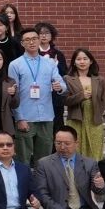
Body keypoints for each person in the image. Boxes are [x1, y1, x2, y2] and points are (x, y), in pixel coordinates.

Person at [7, 26, 66, 166]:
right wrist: (19, 117)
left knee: (44, 159)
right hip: (25, 116)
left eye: (34, 38)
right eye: (27, 40)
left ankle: (42, 180)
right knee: (23, 158)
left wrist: (59, 87)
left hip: (47, 116)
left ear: (39, 40)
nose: (32, 42)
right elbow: (13, 94)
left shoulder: (49, 63)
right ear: (22, 43)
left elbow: (62, 84)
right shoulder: (15, 65)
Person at [64, 48, 105, 161]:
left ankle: (94, 171)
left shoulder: (99, 80)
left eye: (85, 59)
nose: (82, 62)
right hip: (75, 119)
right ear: (74, 62)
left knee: (95, 150)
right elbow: (65, 100)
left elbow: (104, 100)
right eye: (78, 59)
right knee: (75, 149)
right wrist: (81, 96)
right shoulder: (68, 79)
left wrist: (97, 113)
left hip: (94, 120)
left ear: (91, 61)